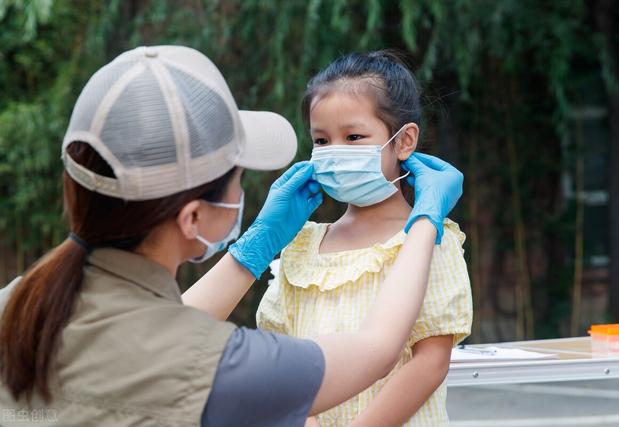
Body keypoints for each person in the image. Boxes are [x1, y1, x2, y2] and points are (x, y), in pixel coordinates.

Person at [0, 46, 463, 427]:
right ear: (193, 218)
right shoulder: (204, 362)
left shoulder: (17, 306)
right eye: (237, 174)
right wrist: (425, 221)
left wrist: (252, 250)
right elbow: (377, 350)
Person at [257, 51, 472, 427]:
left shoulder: (432, 240)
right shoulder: (302, 245)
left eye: (353, 136)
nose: (335, 151)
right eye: (322, 140)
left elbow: (431, 361)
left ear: (403, 142)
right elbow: (278, 356)